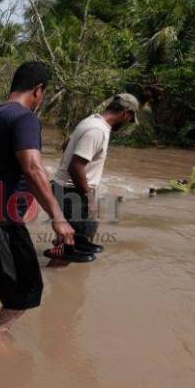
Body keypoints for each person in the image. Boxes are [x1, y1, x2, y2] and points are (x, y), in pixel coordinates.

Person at [0, 61, 75, 336]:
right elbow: (33, 167)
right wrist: (58, 218)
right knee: (26, 290)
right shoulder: (25, 118)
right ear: (38, 90)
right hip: (2, 218)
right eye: (43, 94)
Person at [46, 93, 139, 263]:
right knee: (73, 247)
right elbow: (75, 166)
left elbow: (69, 147)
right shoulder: (97, 130)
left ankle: (60, 281)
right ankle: (61, 280)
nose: (127, 124)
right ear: (125, 113)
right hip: (72, 192)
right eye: (129, 120)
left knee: (71, 243)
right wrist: (89, 198)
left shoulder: (91, 121)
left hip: (67, 189)